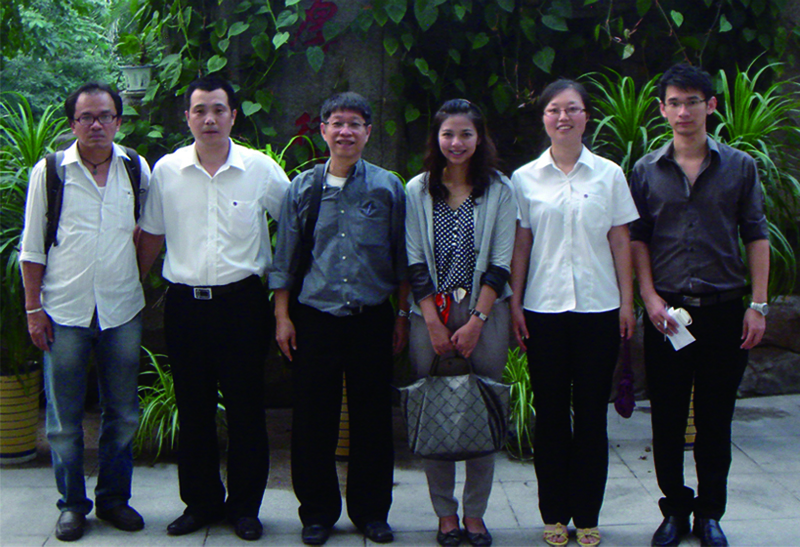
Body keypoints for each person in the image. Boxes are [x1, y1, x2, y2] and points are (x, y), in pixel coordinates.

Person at [136, 76, 290, 541]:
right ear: (187, 117)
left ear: (233, 116)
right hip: (186, 307)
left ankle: (245, 508)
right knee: (193, 409)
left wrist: (288, 302)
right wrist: (131, 290)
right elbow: (152, 235)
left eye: (219, 109)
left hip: (242, 305)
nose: (209, 119)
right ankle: (200, 503)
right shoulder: (167, 171)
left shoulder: (260, 169)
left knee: (247, 409)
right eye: (200, 110)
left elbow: (296, 227)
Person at [630, 64, 769, 547]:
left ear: (710, 105)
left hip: (725, 311)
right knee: (667, 418)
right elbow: (638, 238)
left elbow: (756, 235)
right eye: (674, 102)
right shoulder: (646, 171)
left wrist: (759, 304)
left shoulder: (740, 166)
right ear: (662, 109)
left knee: (715, 418)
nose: (683, 111)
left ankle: (710, 512)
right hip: (667, 315)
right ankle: (674, 509)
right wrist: (649, 297)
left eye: (692, 101)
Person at [269, 91, 409, 546]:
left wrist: (401, 316)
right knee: (313, 419)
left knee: (373, 419)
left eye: (354, 124)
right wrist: (283, 316)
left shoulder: (387, 188)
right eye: (337, 123)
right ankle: (317, 513)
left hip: (372, 318)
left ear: (367, 132)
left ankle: (372, 513)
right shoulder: (303, 187)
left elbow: (403, 259)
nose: (345, 131)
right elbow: (285, 259)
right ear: (323, 130)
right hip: (315, 318)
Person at [509, 79, 639, 547]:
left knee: (590, 416)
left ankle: (586, 515)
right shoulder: (524, 178)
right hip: (542, 310)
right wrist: (515, 303)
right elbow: (521, 245)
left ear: (586, 116)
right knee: (549, 416)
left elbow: (620, 240)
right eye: (554, 110)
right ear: (543, 117)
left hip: (598, 310)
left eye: (572, 109)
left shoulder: (609, 174)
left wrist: (627, 302)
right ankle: (553, 513)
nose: (563, 117)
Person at [20, 82, 151, 542]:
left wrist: (134, 277)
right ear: (72, 123)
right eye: (87, 117)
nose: (97, 125)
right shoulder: (50, 172)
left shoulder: (135, 168)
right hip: (64, 311)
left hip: (122, 310)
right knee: (63, 422)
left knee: (124, 413)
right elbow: (31, 248)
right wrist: (33, 309)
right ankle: (72, 505)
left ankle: (114, 500)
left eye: (106, 116)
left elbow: (147, 233)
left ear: (119, 120)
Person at [405, 99, 515, 547]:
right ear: (436, 139)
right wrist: (433, 322)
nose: (456, 142)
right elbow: (414, 260)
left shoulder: (500, 189)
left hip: (485, 316)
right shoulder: (417, 189)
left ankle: (475, 515)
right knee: (436, 411)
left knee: (481, 409)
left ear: (479, 138)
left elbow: (501, 261)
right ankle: (445, 515)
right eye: (448, 134)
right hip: (428, 316)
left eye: (466, 134)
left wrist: (476, 321)